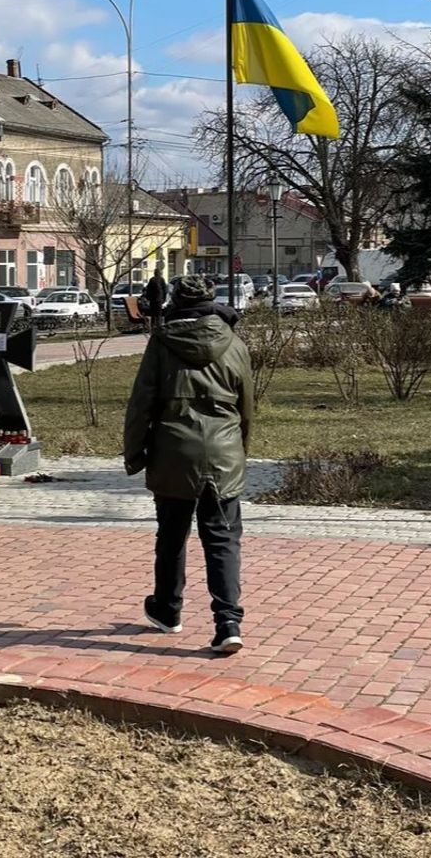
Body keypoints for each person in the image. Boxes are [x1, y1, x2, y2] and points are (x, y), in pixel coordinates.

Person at [123, 274, 254, 654]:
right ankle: (228, 621)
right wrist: (240, 451)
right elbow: (246, 408)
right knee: (223, 538)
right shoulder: (235, 345)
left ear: (175, 304)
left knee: (172, 535)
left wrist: (135, 455)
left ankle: (168, 609)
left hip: (172, 453)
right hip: (224, 453)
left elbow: (140, 405)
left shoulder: (162, 344)